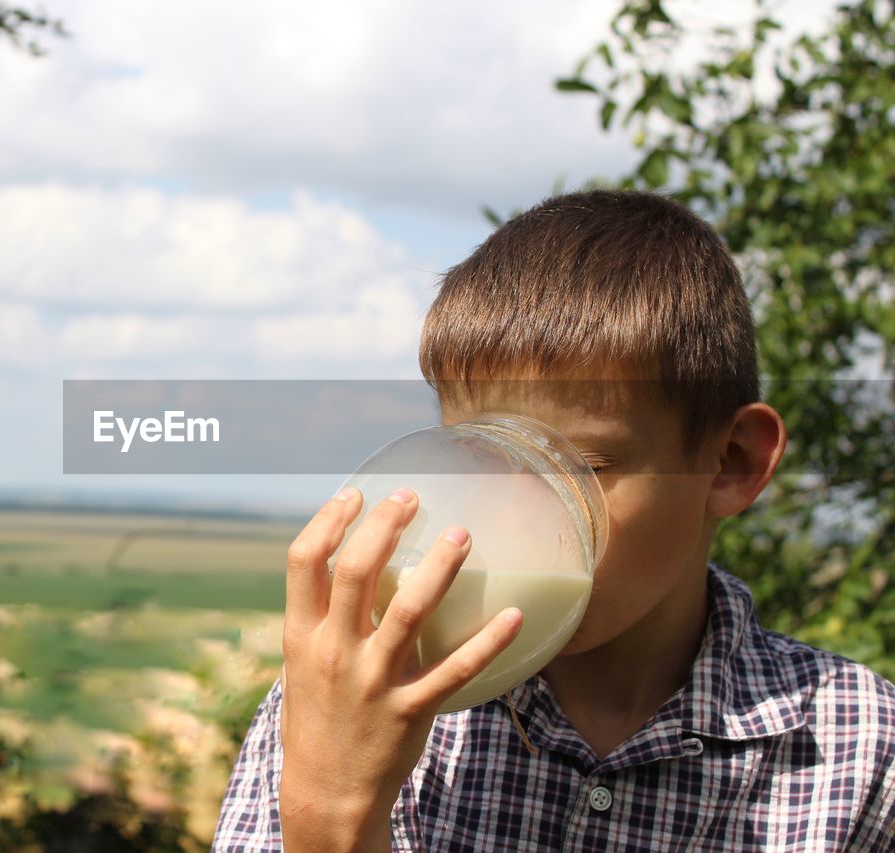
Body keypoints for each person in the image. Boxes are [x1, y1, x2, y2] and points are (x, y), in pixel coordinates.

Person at [212, 190, 895, 851]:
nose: (521, 514)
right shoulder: (355, 697)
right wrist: (330, 809)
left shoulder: (860, 755)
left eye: (580, 468)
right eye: (484, 461)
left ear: (731, 462)